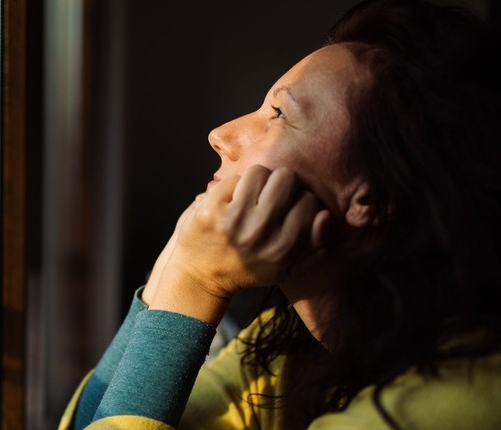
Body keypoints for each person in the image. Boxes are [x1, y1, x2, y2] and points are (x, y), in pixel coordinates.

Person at [60, 0, 501, 428]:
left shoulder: (439, 406)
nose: (220, 135)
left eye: (278, 113)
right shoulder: (287, 353)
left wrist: (196, 281)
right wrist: (181, 257)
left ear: (372, 196)